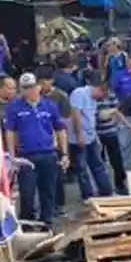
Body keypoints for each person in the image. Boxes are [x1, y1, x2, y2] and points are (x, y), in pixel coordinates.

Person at [4, 74, 68, 227]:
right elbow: (10, 132)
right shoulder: (15, 107)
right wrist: (12, 156)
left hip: (48, 153)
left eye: (32, 87)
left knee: (48, 191)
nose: (29, 91)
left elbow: (60, 129)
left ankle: (47, 221)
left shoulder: (49, 106)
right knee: (27, 192)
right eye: (25, 88)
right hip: (26, 156)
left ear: (38, 87)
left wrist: (64, 153)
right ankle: (28, 222)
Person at [67, 78, 116, 199]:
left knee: (98, 165)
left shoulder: (93, 100)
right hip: (78, 138)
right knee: (82, 168)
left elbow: (91, 118)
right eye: (102, 95)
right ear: (99, 89)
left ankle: (106, 191)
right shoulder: (79, 93)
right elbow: (76, 114)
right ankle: (88, 195)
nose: (101, 99)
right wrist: (79, 134)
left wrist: (94, 135)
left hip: (91, 136)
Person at [38, 71, 78, 210]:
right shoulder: (37, 97)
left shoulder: (60, 96)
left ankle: (60, 204)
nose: (42, 85)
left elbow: (67, 118)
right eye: (40, 82)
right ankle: (47, 205)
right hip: (43, 140)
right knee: (44, 178)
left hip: (58, 138)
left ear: (51, 81)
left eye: (45, 81)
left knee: (58, 175)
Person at [94, 82, 127, 195]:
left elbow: (116, 111)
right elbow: (101, 116)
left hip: (111, 132)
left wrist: (113, 114)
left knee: (117, 161)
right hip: (98, 134)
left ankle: (120, 185)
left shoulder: (111, 96)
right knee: (100, 163)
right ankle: (103, 188)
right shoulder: (93, 99)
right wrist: (112, 112)